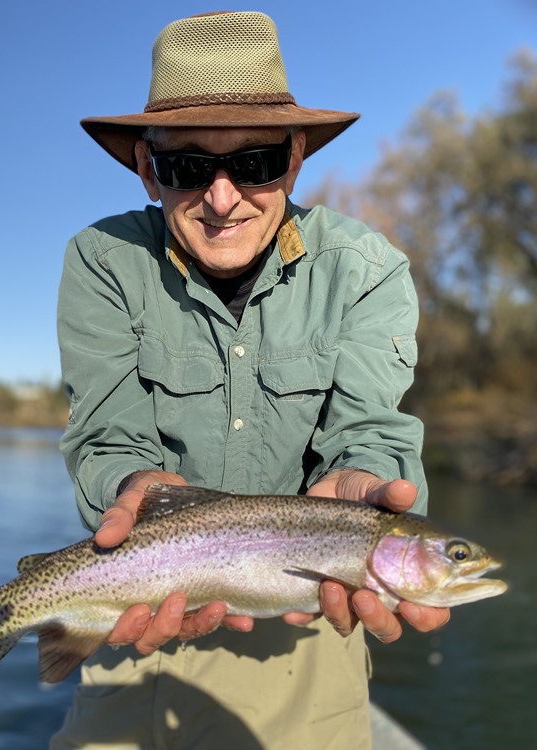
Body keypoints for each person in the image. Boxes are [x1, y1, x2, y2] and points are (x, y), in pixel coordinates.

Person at [53, 11, 449, 749]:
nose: (224, 197)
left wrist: (364, 478)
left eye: (257, 161)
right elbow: (107, 436)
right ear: (147, 166)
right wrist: (136, 488)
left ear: (296, 158)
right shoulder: (102, 261)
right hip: (135, 614)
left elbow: (368, 430)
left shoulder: (366, 271)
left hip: (307, 624)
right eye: (188, 168)